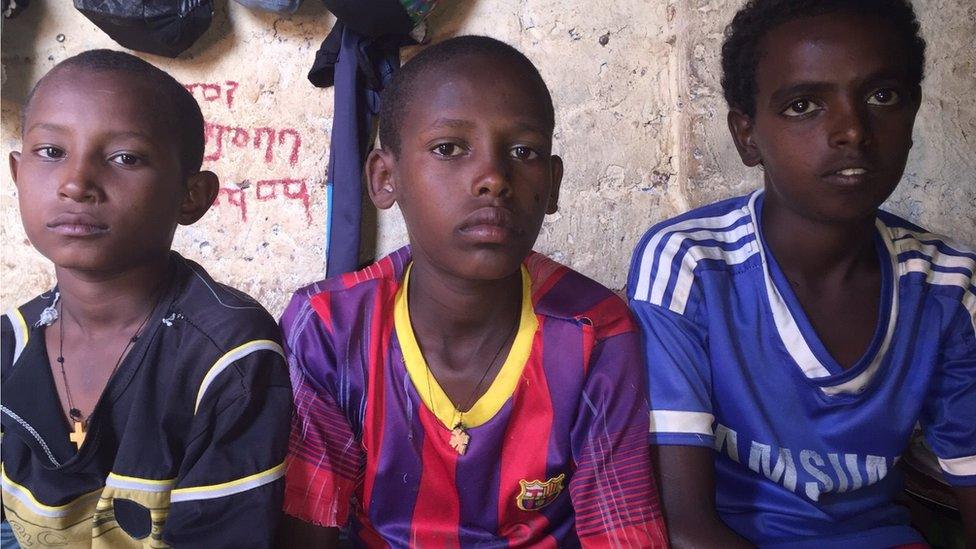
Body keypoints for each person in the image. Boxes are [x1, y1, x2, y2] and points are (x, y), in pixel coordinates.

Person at [278, 35, 668, 547]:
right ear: (384, 178)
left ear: (551, 185)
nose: (492, 178)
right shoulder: (330, 326)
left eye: (522, 152)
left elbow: (621, 534)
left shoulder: (594, 331)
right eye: (449, 148)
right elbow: (312, 531)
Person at [628, 1, 976, 547]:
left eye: (882, 96)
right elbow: (685, 527)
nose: (852, 132)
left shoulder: (945, 284)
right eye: (804, 104)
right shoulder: (691, 265)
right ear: (747, 136)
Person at [1, 49, 292, 547]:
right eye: (51, 152)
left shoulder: (227, 356)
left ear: (191, 196)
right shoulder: (11, 343)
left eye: (125, 158)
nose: (75, 184)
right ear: (17, 172)